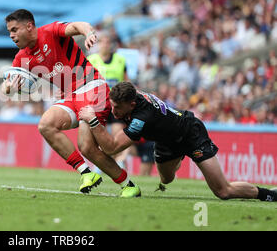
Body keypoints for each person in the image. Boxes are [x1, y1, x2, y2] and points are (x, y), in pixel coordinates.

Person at [2, 9, 140, 198]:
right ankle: (86, 173)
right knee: (45, 125)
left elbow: (77, 26)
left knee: (86, 147)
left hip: (92, 86)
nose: (11, 35)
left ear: (29, 26)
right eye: (9, 31)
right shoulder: (21, 57)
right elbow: (7, 84)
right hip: (69, 96)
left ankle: (128, 185)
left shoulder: (50, 31)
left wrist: (89, 32)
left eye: (14, 29)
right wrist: (10, 87)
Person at [79, 82, 277, 202]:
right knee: (166, 179)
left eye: (117, 108)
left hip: (191, 134)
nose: (113, 112)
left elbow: (111, 147)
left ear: (131, 104)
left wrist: (93, 120)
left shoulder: (142, 116)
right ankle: (178, 156)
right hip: (167, 141)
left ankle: (269, 195)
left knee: (223, 191)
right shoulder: (130, 95)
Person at [87, 32, 129, 169]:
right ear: (98, 44)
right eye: (102, 42)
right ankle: (101, 164)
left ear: (111, 45)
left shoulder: (120, 60)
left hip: (116, 104)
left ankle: (119, 162)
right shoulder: (91, 60)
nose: (105, 44)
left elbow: (126, 80)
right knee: (100, 135)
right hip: (99, 103)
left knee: (117, 135)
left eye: (107, 42)